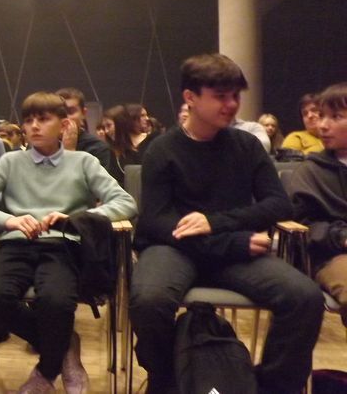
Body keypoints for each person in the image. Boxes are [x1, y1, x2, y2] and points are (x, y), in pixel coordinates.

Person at [128, 53, 323, 394]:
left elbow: (278, 204)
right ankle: (168, 382)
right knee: (149, 302)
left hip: (232, 251)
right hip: (176, 249)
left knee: (305, 297)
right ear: (190, 97)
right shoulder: (162, 149)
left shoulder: (246, 146)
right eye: (220, 96)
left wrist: (215, 222)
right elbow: (156, 223)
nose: (232, 104)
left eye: (235, 95)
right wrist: (230, 241)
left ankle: (270, 387)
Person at [0, 92, 137, 394]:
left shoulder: (83, 162)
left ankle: (46, 371)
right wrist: (8, 220)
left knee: (56, 302)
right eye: (29, 120)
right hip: (17, 243)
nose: (34, 126)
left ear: (63, 125)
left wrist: (76, 219)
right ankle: (64, 345)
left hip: (63, 246)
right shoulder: (10, 161)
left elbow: (125, 203)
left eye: (43, 119)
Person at [287, 82, 347, 326]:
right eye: (322, 116)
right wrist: (341, 237)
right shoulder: (310, 172)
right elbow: (305, 226)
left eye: (336, 117)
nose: (323, 125)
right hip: (333, 256)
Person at [56, 87, 113, 174]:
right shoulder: (43, 144)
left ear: (83, 113)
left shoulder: (98, 148)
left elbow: (93, 182)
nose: (65, 118)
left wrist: (69, 153)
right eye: (60, 113)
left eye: (70, 112)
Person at [107, 103, 157, 184]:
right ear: (131, 118)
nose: (147, 119)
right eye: (142, 115)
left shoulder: (153, 140)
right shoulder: (118, 148)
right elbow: (113, 176)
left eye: (146, 115)